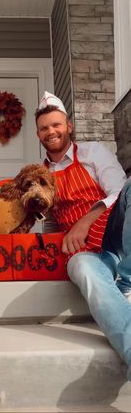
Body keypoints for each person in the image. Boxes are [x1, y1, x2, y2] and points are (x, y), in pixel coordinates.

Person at [36, 91, 131, 380]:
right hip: (85, 252)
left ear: (69, 126)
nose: (51, 132)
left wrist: (87, 219)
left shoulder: (92, 153)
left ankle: (127, 282)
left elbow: (118, 189)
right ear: (38, 134)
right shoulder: (40, 174)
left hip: (115, 236)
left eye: (56, 125)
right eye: (44, 128)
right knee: (81, 268)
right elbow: (46, 224)